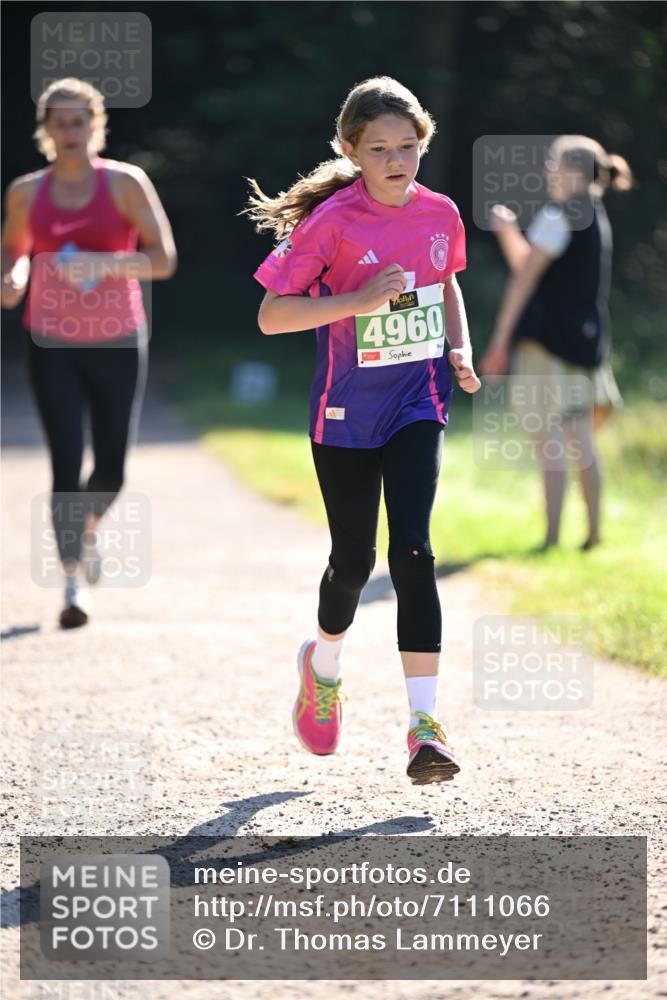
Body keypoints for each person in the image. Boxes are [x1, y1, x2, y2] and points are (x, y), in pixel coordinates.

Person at [245, 76, 480, 785]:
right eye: (378, 148)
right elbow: (272, 315)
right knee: (352, 561)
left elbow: (444, 284)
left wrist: (458, 348)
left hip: (417, 398)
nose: (395, 159)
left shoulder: (439, 213)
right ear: (350, 150)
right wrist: (355, 299)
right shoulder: (330, 223)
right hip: (345, 409)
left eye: (407, 146)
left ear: (423, 147)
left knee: (412, 549)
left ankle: (423, 727)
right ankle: (322, 666)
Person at [1, 78, 177, 628]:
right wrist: (14, 274)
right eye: (60, 122)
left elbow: (163, 259)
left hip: (119, 337)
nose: (70, 132)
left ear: (95, 126)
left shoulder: (125, 184)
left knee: (111, 469)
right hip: (51, 339)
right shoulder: (27, 191)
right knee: (63, 460)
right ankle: (73, 583)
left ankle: (88, 529)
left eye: (80, 122)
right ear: (46, 130)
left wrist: (103, 265)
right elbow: (16, 249)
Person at [481, 135, 632, 550]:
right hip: (584, 344)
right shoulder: (595, 215)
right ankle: (593, 534)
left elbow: (524, 279)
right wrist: (509, 232)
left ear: (574, 173)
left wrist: (499, 340)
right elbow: (533, 263)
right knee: (580, 437)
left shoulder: (558, 213)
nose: (549, 171)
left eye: (555, 164)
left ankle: (550, 539)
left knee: (550, 440)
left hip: (547, 348)